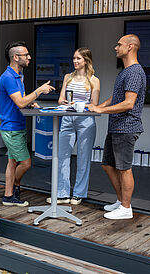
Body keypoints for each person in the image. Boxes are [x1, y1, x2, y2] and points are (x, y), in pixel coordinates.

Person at [88, 34, 146, 220]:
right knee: (108, 165)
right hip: (116, 127)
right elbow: (117, 98)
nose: (115, 47)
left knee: (124, 168)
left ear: (130, 47)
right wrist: (98, 107)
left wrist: (101, 111)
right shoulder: (125, 71)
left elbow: (129, 103)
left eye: (119, 44)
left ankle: (126, 208)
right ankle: (121, 201)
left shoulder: (135, 72)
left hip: (126, 127)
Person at [0, 41, 55, 206]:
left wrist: (30, 102)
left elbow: (20, 101)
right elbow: (20, 103)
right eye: (26, 55)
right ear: (16, 58)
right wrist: (38, 91)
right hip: (11, 128)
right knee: (26, 163)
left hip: (17, 126)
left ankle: (9, 196)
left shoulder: (19, 75)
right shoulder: (8, 77)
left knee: (12, 162)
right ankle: (14, 188)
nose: (29, 57)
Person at [49, 48, 100, 205]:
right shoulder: (68, 77)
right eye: (74, 58)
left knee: (83, 158)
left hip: (86, 120)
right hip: (67, 118)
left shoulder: (94, 80)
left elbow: (94, 104)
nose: (75, 61)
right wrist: (63, 102)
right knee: (62, 157)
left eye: (78, 58)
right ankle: (62, 193)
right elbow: (60, 100)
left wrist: (79, 104)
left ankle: (78, 194)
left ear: (86, 60)